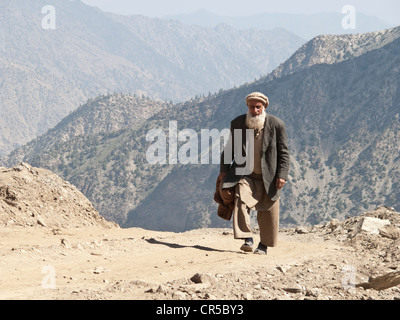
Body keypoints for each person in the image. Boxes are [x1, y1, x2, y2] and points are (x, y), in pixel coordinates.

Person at [218, 92, 290, 255]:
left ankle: (263, 245)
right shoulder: (238, 123)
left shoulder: (276, 124)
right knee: (240, 201)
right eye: (252, 107)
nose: (255, 110)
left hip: (269, 175)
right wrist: (223, 171)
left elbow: (284, 152)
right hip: (245, 174)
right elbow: (230, 149)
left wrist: (282, 174)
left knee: (268, 209)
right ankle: (247, 238)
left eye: (258, 107)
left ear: (264, 107)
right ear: (247, 107)